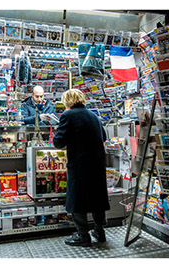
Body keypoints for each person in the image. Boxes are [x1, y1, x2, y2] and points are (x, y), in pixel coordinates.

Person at [51, 89, 111, 247]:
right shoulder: (94, 116)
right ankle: (99, 231)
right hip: (97, 164)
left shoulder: (67, 115)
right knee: (96, 196)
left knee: (77, 198)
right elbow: (103, 137)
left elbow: (58, 142)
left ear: (67, 102)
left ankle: (82, 235)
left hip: (80, 164)